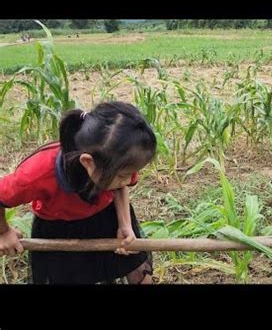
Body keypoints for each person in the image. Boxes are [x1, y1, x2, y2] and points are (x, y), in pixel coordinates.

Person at [0, 101, 157, 284]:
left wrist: (125, 225)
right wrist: (3, 232)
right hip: (59, 228)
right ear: (88, 162)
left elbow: (120, 187)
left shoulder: (120, 160)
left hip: (107, 214)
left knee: (139, 271)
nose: (130, 180)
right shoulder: (38, 174)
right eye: (124, 175)